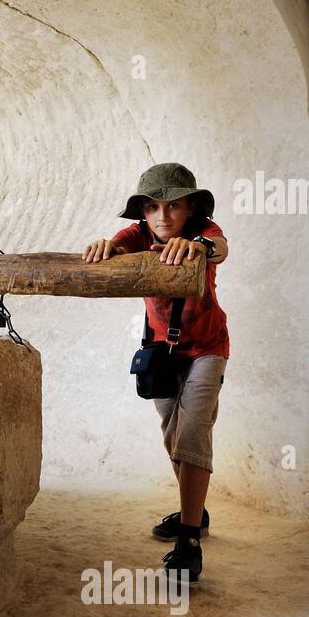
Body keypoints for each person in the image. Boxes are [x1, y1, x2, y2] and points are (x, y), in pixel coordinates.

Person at [82, 162, 229, 583]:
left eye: (173, 205)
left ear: (190, 208)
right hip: (162, 352)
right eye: (152, 207)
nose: (162, 216)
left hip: (207, 349)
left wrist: (199, 247)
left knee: (193, 431)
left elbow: (219, 247)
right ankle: (194, 512)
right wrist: (103, 248)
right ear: (142, 212)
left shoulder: (204, 231)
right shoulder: (139, 235)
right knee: (173, 435)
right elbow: (116, 248)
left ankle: (189, 539)